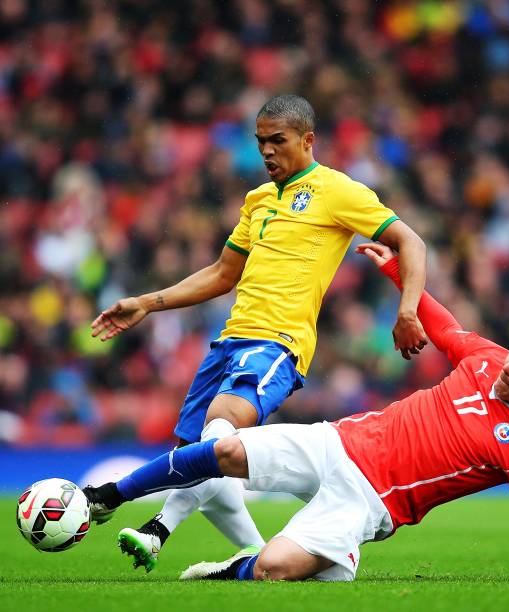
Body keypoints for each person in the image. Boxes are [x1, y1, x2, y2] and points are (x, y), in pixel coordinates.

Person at [83, 243, 509, 583]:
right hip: (341, 442)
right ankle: (109, 495)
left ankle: (231, 567)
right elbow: (443, 324)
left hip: (372, 501)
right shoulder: (486, 358)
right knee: (224, 448)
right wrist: (394, 272)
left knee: (274, 569)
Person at [87, 95, 429, 572]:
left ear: (308, 140)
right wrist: (147, 302)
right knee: (197, 459)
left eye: (278, 141)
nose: (267, 152)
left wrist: (407, 310)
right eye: (261, 141)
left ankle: (129, 512)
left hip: (278, 344)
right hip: (227, 343)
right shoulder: (259, 200)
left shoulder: (338, 190)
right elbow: (222, 273)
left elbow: (409, 240)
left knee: (221, 431)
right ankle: (252, 551)